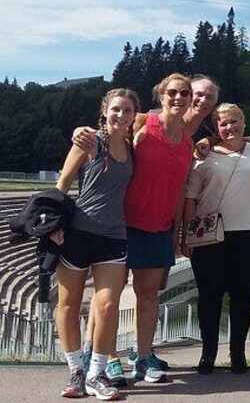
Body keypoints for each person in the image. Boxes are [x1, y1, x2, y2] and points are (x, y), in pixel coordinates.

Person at [71, 74, 219, 380]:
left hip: (159, 226)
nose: (179, 98)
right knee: (108, 297)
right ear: (161, 96)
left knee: (148, 296)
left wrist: (178, 231)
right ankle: (107, 357)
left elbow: (179, 190)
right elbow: (108, 125)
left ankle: (144, 355)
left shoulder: (187, 142)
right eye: (172, 92)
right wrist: (80, 132)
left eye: (185, 93)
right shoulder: (141, 121)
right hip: (123, 223)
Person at [53, 88, 139, 400]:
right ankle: (75, 369)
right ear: (104, 110)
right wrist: (55, 227)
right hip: (78, 233)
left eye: (128, 110)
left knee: (106, 305)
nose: (121, 115)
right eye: (116, 109)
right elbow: (61, 186)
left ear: (133, 115)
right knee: (69, 303)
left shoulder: (131, 146)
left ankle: (96, 374)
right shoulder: (90, 141)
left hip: (114, 236)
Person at [182, 104, 250, 375]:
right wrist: (185, 235)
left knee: (242, 296)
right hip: (209, 236)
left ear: (244, 123)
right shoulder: (204, 155)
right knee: (210, 297)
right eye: (223, 123)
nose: (229, 127)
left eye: (234, 121)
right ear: (216, 127)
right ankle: (208, 353)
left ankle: (238, 353)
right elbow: (190, 198)